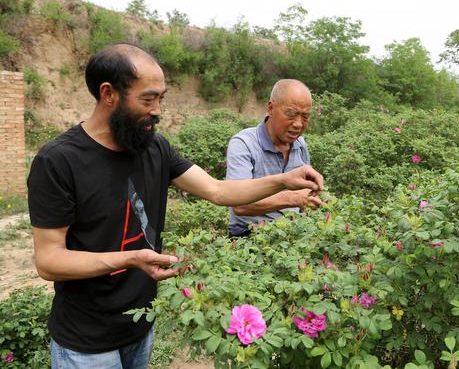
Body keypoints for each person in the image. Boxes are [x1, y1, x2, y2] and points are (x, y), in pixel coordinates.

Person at [27, 44, 323, 368]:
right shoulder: (59, 161)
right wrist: (130, 258)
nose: (157, 110)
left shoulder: (155, 147)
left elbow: (218, 190)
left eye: (161, 98)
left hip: (140, 327)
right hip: (86, 340)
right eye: (148, 99)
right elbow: (50, 260)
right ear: (108, 94)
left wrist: (284, 180)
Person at [226, 79, 324, 237]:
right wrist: (291, 198)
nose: (298, 124)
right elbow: (238, 204)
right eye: (291, 114)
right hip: (249, 236)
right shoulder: (244, 143)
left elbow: (304, 196)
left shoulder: (300, 144)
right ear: (271, 108)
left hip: (292, 234)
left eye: (305, 117)